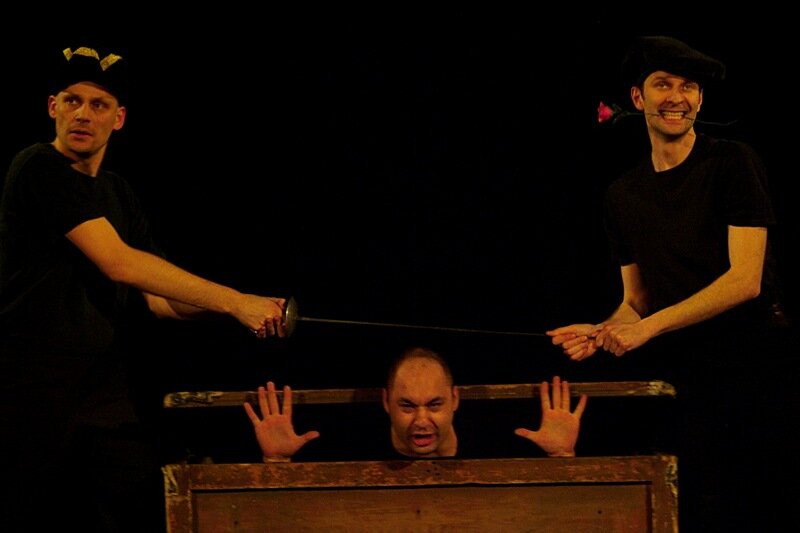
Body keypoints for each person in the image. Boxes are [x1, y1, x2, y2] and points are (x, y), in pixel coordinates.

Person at [0, 46, 286, 532]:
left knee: (148, 508)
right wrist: (236, 302)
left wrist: (246, 310)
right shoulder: (37, 167)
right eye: (72, 101)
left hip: (102, 395)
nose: (82, 114)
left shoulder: (118, 192)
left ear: (119, 118)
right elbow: (118, 262)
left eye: (98, 105)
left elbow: (159, 300)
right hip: (33, 390)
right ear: (52, 107)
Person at [546, 35, 796, 530]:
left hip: (755, 369)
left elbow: (745, 280)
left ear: (700, 100)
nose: (676, 97)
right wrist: (603, 330)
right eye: (663, 84)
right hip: (689, 378)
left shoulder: (732, 162)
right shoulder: (622, 195)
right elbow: (636, 300)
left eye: (688, 87)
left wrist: (647, 328)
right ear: (638, 97)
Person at [244, 346, 587, 461]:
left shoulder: (498, 449)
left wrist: (562, 458)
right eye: (407, 406)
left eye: (434, 405)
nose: (422, 419)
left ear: (455, 400)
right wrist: (276, 463)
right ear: (386, 402)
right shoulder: (352, 452)